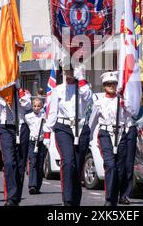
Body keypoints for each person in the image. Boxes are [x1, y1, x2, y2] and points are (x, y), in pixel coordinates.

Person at [44, 65, 92, 206]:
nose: (70, 72)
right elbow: (52, 112)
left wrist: (81, 77)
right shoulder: (58, 90)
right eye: (67, 69)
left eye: (72, 69)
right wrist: (47, 134)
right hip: (63, 127)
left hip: (81, 127)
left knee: (77, 166)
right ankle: (68, 199)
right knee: (68, 161)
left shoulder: (84, 87)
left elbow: (88, 97)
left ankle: (75, 199)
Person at [88, 71, 137, 206]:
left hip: (121, 134)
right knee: (110, 166)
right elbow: (91, 123)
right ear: (104, 86)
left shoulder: (121, 100)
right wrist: (88, 139)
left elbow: (131, 115)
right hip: (105, 134)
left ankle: (115, 198)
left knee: (120, 168)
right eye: (108, 84)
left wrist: (124, 103)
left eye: (114, 83)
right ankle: (109, 198)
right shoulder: (99, 103)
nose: (111, 86)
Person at [0, 87, 32, 206]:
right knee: (9, 162)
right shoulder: (1, 94)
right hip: (6, 128)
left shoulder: (25, 93)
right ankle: (10, 197)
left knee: (20, 164)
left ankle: (16, 195)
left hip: (22, 128)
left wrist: (19, 92)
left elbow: (28, 106)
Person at [25, 98, 47, 195]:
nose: (36, 108)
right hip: (32, 141)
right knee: (33, 162)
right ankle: (32, 185)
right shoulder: (28, 116)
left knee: (40, 163)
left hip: (41, 142)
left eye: (38, 106)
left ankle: (37, 186)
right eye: (34, 106)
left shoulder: (44, 116)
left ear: (41, 107)